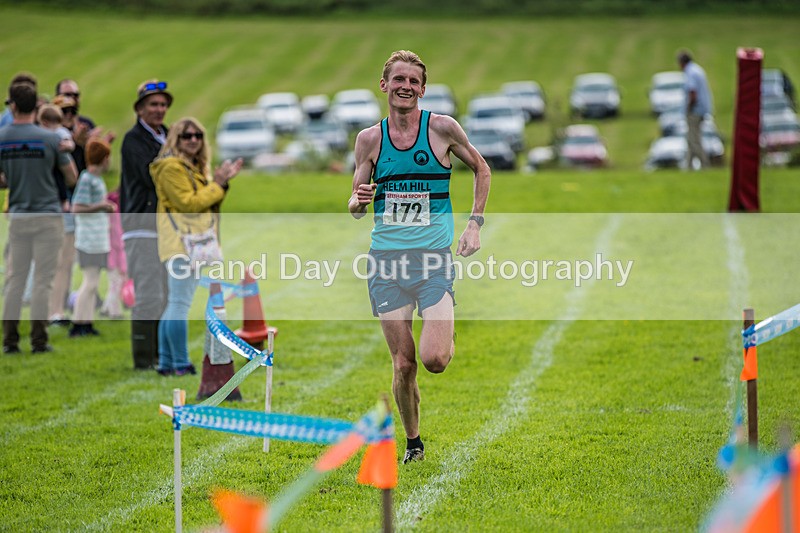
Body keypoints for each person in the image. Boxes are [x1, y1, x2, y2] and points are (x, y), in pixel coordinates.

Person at [348, 50, 491, 463]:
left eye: (413, 81)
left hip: (432, 262)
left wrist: (474, 224)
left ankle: (442, 329)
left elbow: (482, 169)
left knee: (434, 359)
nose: (406, 86)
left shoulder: (442, 129)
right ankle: (414, 443)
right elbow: (355, 206)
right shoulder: (369, 140)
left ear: (422, 89)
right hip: (386, 265)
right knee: (404, 363)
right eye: (399, 80)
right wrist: (358, 200)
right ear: (384, 85)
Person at [150, 117, 241, 376]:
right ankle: (180, 363)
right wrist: (218, 184)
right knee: (179, 303)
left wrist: (219, 183)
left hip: (188, 243)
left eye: (198, 136)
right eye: (187, 136)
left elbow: (204, 203)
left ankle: (167, 363)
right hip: (181, 244)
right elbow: (188, 203)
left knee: (176, 302)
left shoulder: (191, 167)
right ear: (175, 139)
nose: (193, 140)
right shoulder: (171, 168)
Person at [0, 81, 78, 354]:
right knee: (44, 280)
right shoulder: (51, 138)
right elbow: (72, 177)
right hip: (48, 216)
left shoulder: (2, 136)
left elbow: (2, 180)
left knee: (15, 279)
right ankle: (39, 340)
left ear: (12, 105)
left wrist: (13, 177)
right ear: (36, 106)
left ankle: (9, 341)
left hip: (19, 215)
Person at [119, 79, 172, 370]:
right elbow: (150, 175)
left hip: (166, 228)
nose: (159, 109)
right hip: (141, 225)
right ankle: (144, 359)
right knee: (149, 294)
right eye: (153, 104)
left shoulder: (169, 135)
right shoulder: (133, 140)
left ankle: (161, 355)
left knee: (166, 294)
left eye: (163, 104)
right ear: (140, 109)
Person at [70, 139, 115, 337]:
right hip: (89, 239)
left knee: (94, 283)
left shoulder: (96, 179)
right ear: (105, 159)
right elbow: (77, 207)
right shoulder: (87, 179)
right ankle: (78, 323)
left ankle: (87, 322)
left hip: (98, 238)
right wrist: (101, 206)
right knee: (89, 283)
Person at [677, 50, 713, 170]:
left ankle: (705, 165)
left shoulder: (690, 72)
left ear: (682, 62)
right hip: (702, 109)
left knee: (694, 140)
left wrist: (688, 108)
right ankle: (688, 167)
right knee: (690, 139)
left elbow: (692, 92)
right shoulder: (697, 69)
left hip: (695, 111)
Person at [100, 188, 128, 320]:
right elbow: (118, 239)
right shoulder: (115, 211)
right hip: (114, 253)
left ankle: (106, 308)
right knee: (116, 282)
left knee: (114, 282)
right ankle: (114, 311)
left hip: (112, 251)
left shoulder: (110, 208)